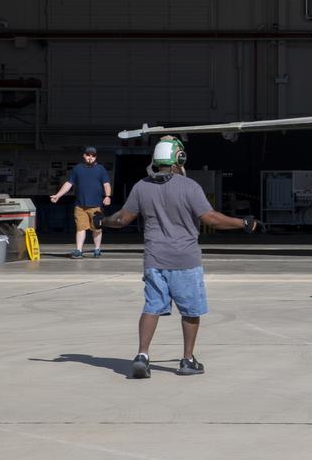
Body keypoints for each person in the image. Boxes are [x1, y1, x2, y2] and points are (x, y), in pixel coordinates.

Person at [100, 137, 260, 379]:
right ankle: (187, 360)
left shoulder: (141, 187)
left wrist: (102, 220)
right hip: (185, 260)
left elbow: (121, 220)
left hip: (154, 260)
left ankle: (142, 355)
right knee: (190, 311)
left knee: (152, 308)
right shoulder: (189, 187)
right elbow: (211, 219)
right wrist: (243, 223)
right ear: (179, 159)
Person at [50, 146, 112, 258]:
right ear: (84, 155)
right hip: (80, 205)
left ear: (95, 157)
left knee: (97, 228)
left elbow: (106, 183)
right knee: (80, 228)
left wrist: (107, 196)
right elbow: (69, 184)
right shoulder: (77, 169)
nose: (90, 157)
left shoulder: (101, 169)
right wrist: (58, 195)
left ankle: (97, 249)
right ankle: (79, 250)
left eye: (93, 155)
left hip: (96, 206)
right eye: (88, 155)